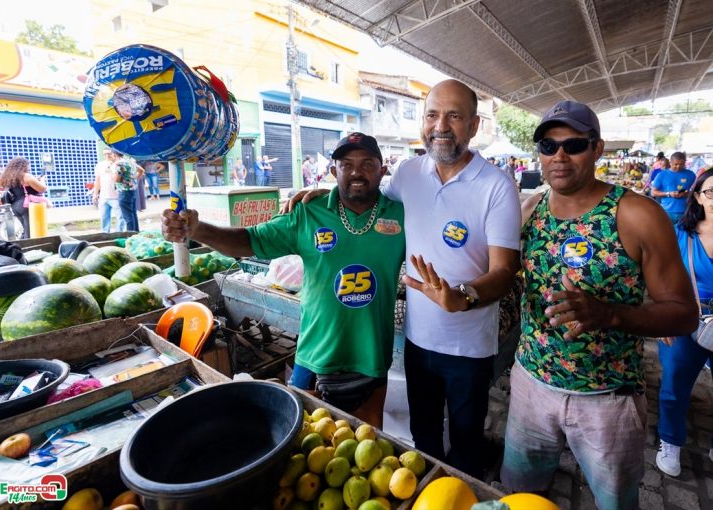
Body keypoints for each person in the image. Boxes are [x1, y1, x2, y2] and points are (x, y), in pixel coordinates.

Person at [283, 80, 522, 478]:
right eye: (432, 115)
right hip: (419, 342)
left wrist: (464, 295)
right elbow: (362, 192)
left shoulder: (497, 186)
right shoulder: (410, 173)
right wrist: (320, 191)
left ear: (475, 126)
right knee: (422, 438)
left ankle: (462, 496)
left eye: (454, 116)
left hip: (469, 347)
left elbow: (504, 270)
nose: (440, 126)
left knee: (465, 441)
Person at [500, 100, 698, 510]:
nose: (558, 156)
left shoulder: (637, 214)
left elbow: (683, 312)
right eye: (548, 145)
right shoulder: (529, 211)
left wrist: (609, 313)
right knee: (518, 497)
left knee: (614, 503)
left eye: (573, 145)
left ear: (597, 149)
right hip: (531, 387)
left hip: (607, 400)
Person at [161, 133, 405, 427]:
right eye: (346, 164)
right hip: (317, 355)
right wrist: (198, 230)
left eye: (367, 163)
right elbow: (249, 241)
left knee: (368, 447)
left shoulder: (402, 216)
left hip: (372, 358)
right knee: (305, 443)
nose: (356, 171)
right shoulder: (307, 213)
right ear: (332, 171)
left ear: (382, 170)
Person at [655, 167, 713, 478]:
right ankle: (671, 442)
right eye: (710, 192)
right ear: (698, 196)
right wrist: (662, 317)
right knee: (675, 386)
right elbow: (660, 277)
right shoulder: (681, 234)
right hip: (684, 320)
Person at [0, 157, 47, 239]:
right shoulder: (26, 176)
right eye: (28, 165)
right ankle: (28, 249)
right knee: (31, 232)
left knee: (25, 231)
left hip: (15, 206)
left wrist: (35, 180)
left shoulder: (8, 177)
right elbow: (42, 188)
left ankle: (21, 247)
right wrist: (42, 180)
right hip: (27, 205)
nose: (29, 168)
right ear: (23, 166)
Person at [651, 152, 696, 223]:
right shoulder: (662, 175)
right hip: (667, 211)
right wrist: (669, 194)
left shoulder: (690, 174)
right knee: (667, 233)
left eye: (681, 164)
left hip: (685, 211)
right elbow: (653, 193)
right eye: (676, 164)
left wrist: (686, 194)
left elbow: (696, 191)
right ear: (670, 162)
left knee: (684, 233)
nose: (678, 166)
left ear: (685, 162)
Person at [92, 149, 123, 233]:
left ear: (113, 154)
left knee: (120, 218)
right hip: (104, 197)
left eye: (109, 153)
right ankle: (105, 235)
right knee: (104, 218)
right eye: (105, 154)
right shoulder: (99, 165)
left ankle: (120, 235)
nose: (107, 156)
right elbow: (97, 180)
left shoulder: (118, 164)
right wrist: (95, 194)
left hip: (116, 196)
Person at [112, 150, 143, 232]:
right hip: (132, 190)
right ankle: (136, 234)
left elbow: (117, 179)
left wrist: (110, 173)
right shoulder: (130, 162)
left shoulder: (118, 164)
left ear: (114, 154)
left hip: (124, 191)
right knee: (133, 214)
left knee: (128, 217)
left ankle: (130, 236)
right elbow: (141, 170)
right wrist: (134, 180)